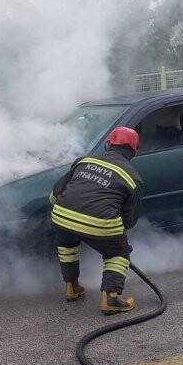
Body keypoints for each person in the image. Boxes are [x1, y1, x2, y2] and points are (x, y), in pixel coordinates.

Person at [49, 126, 144, 314]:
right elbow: (129, 221)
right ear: (134, 151)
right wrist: (112, 237)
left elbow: (55, 193)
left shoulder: (84, 161)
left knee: (67, 245)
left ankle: (72, 287)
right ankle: (111, 298)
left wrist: (62, 214)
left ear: (108, 144)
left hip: (61, 214)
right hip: (101, 222)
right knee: (118, 253)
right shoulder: (133, 178)